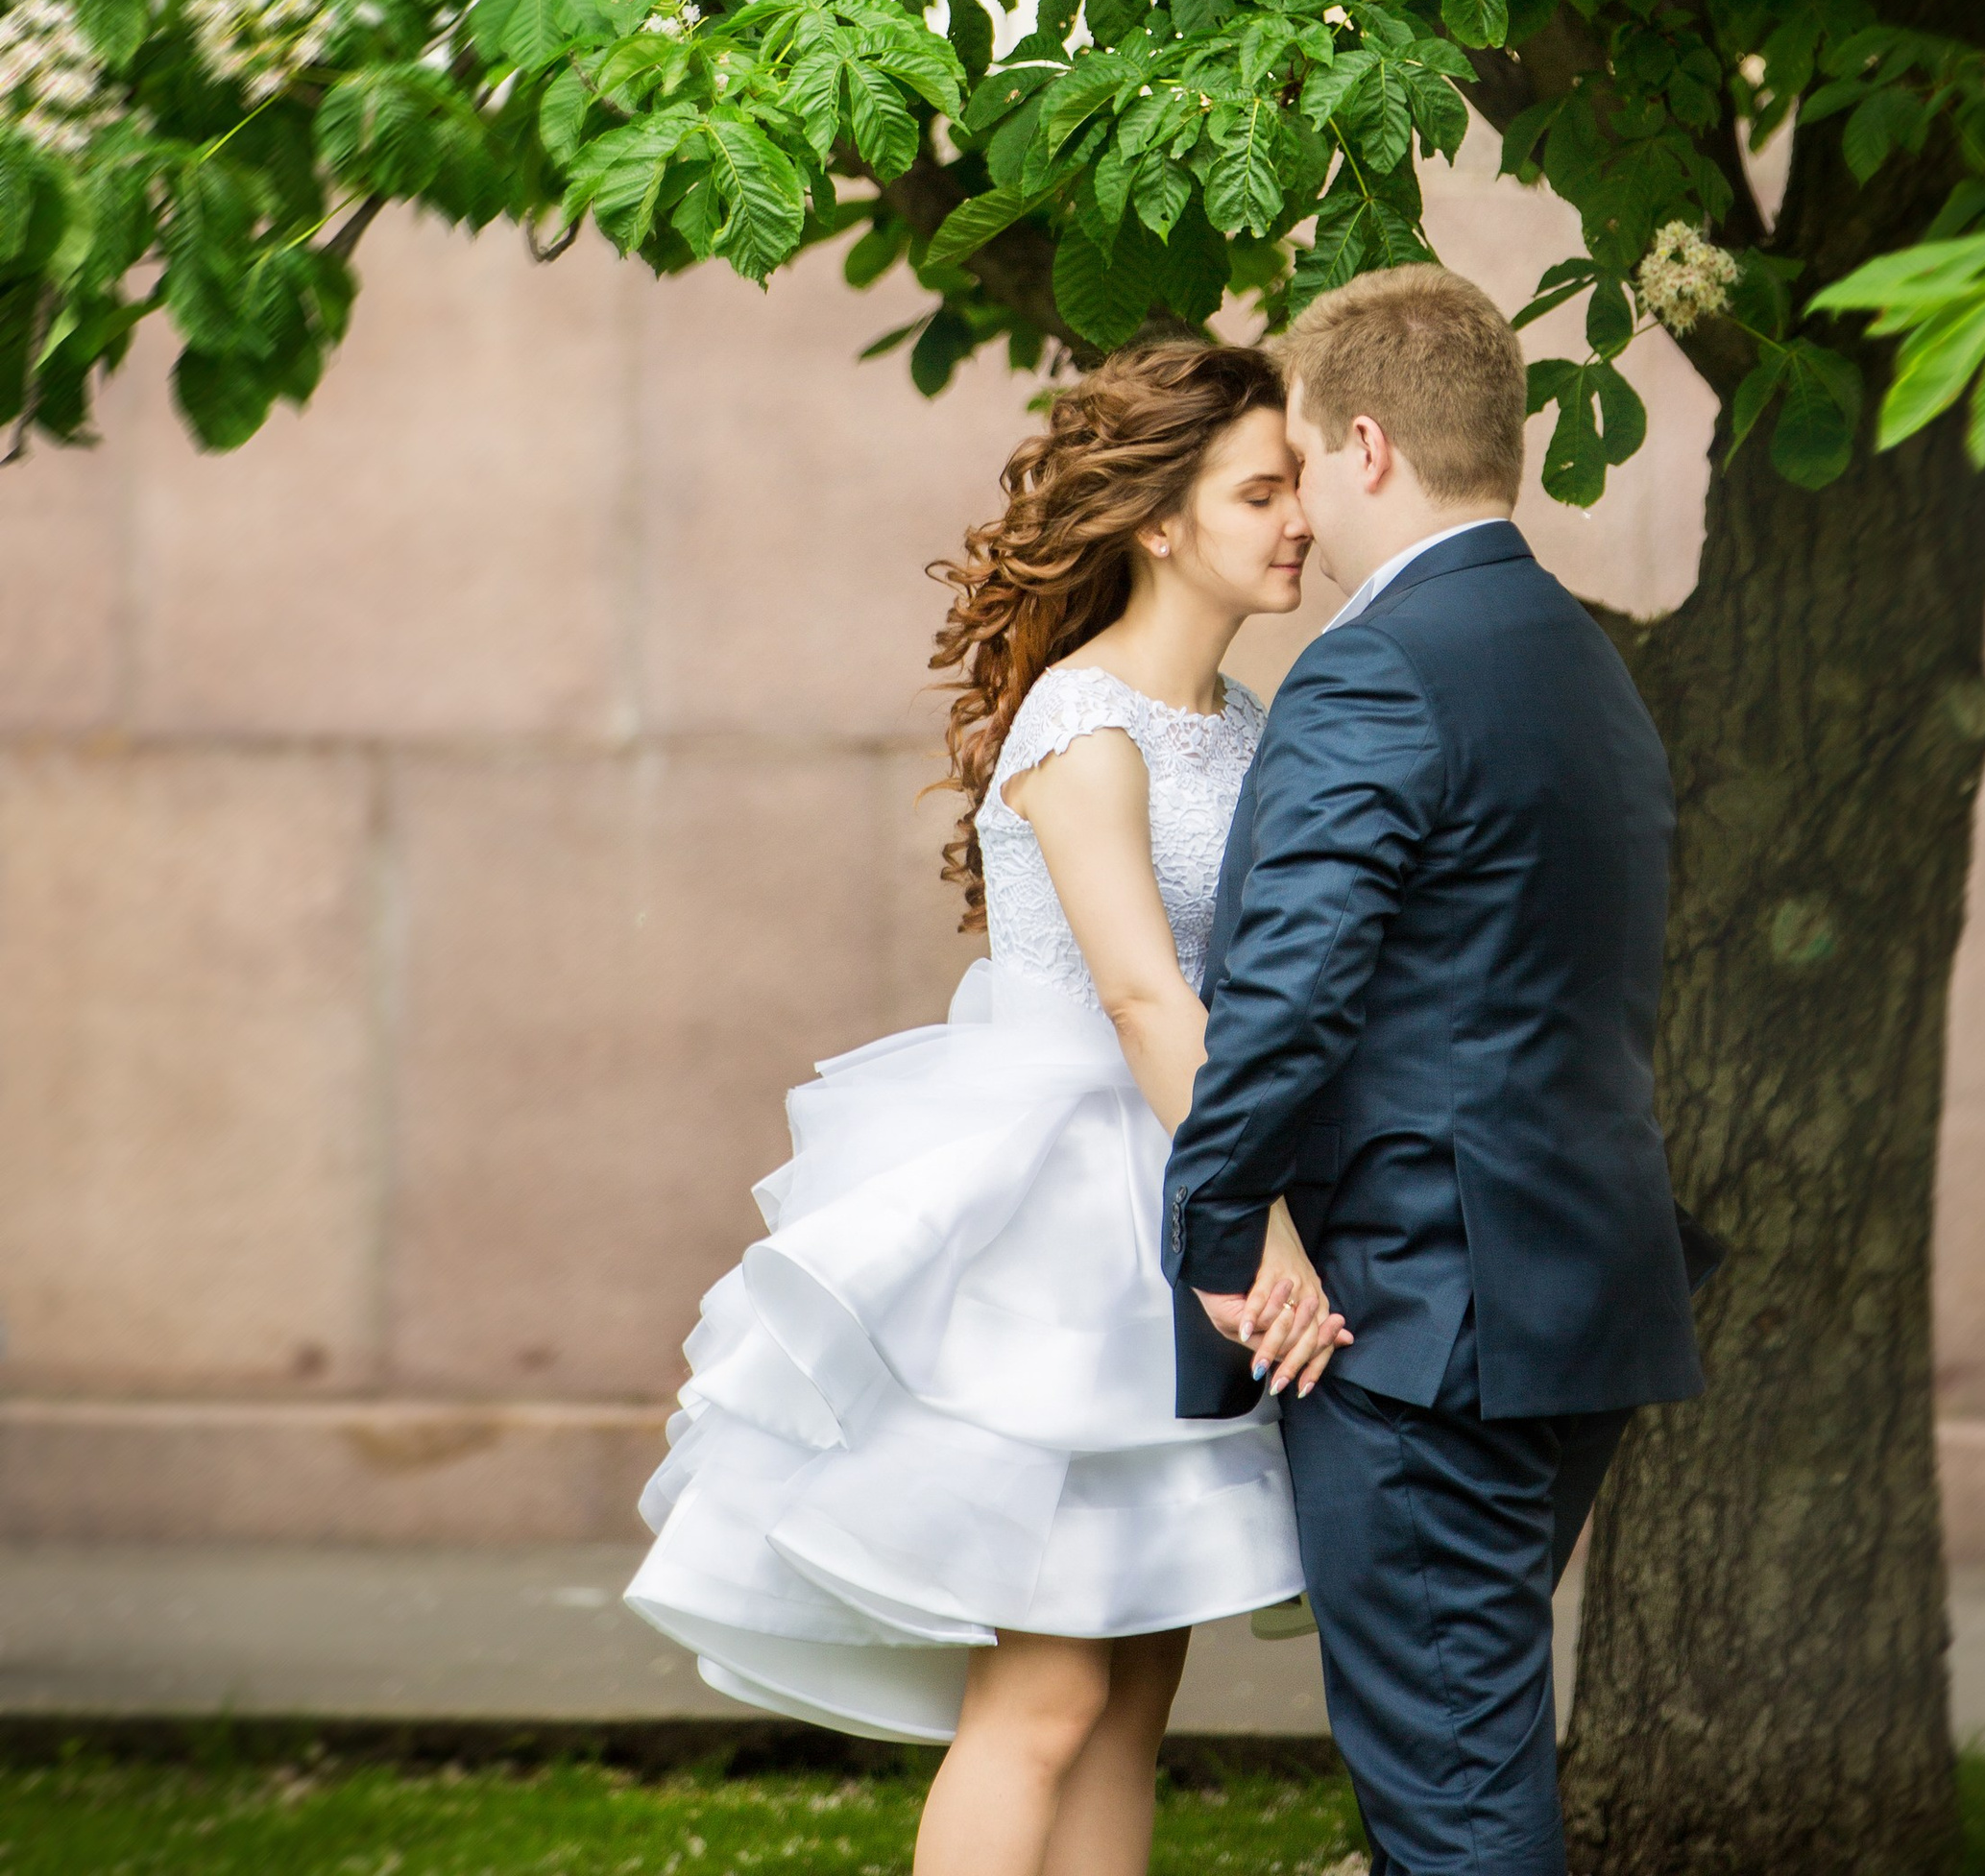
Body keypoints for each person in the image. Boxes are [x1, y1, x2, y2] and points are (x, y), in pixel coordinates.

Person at [627, 339, 1348, 1876]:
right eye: (1261, 491)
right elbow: (1145, 999)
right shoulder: (1084, 724)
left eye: (1299, 486)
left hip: (1176, 1180)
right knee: (1046, 1695)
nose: (1302, 518)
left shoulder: (1240, 717)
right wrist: (1262, 1228)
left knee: (1134, 1695)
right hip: (1072, 1227)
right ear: (1159, 519)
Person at [1163, 265, 1707, 1876]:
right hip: (1569, 1298)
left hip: (1423, 1322)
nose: (1302, 511)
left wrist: (1218, 1235)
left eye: (1302, 462)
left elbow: (1287, 995)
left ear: (1369, 446)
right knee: (1458, 1759)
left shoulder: (1378, 666)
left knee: (1458, 1801)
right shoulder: (1577, 659)